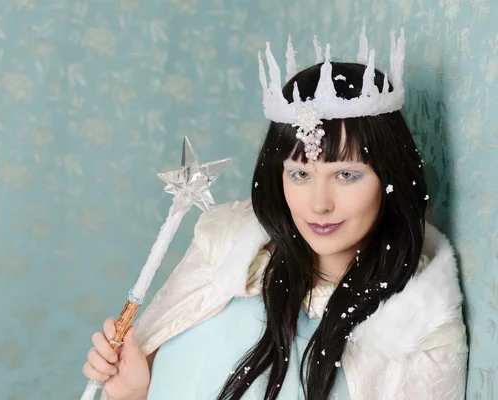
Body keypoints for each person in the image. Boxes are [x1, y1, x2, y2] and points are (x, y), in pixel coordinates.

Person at [83, 29, 468, 400]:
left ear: (391, 177)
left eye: (347, 175)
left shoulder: (418, 327)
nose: (319, 204)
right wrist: (137, 392)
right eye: (300, 174)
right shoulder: (226, 258)